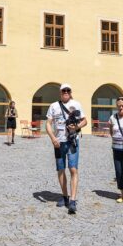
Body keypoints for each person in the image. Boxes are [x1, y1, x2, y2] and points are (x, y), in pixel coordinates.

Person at [45, 83, 86, 214]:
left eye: (68, 90)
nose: (66, 92)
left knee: (73, 169)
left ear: (70, 92)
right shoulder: (53, 106)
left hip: (72, 141)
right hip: (59, 142)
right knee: (61, 170)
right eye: (64, 90)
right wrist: (53, 138)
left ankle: (73, 200)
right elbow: (48, 123)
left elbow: (85, 120)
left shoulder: (77, 104)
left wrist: (77, 127)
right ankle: (65, 197)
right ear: (60, 92)